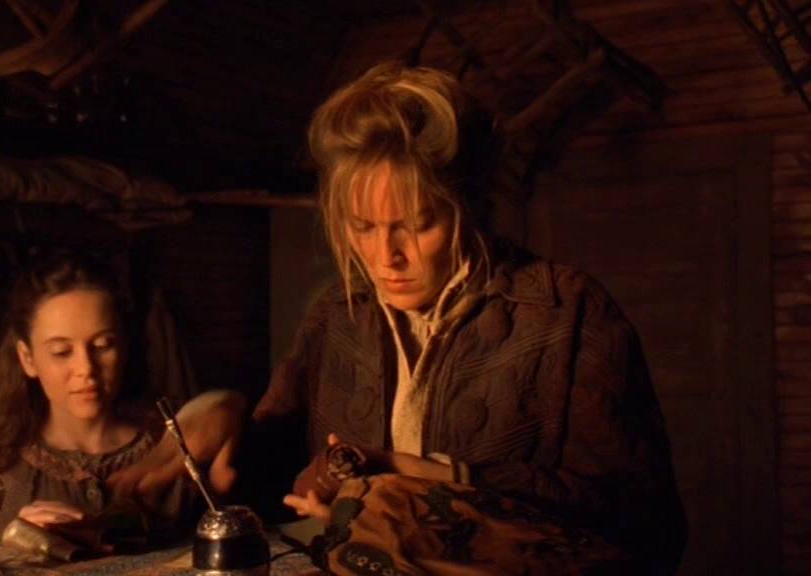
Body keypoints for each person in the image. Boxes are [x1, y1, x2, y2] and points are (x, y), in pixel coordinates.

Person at [252, 61, 688, 574]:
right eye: (362, 226)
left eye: (418, 224)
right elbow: (267, 479)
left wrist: (434, 476)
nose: (385, 257)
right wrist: (224, 418)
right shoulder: (338, 313)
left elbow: (646, 527)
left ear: (469, 205)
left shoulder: (567, 313)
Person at [0, 252, 244, 550]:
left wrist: (228, 405)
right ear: (28, 359)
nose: (86, 368)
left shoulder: (173, 448)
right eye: (62, 352)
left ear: (124, 345)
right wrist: (9, 546)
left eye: (103, 345)